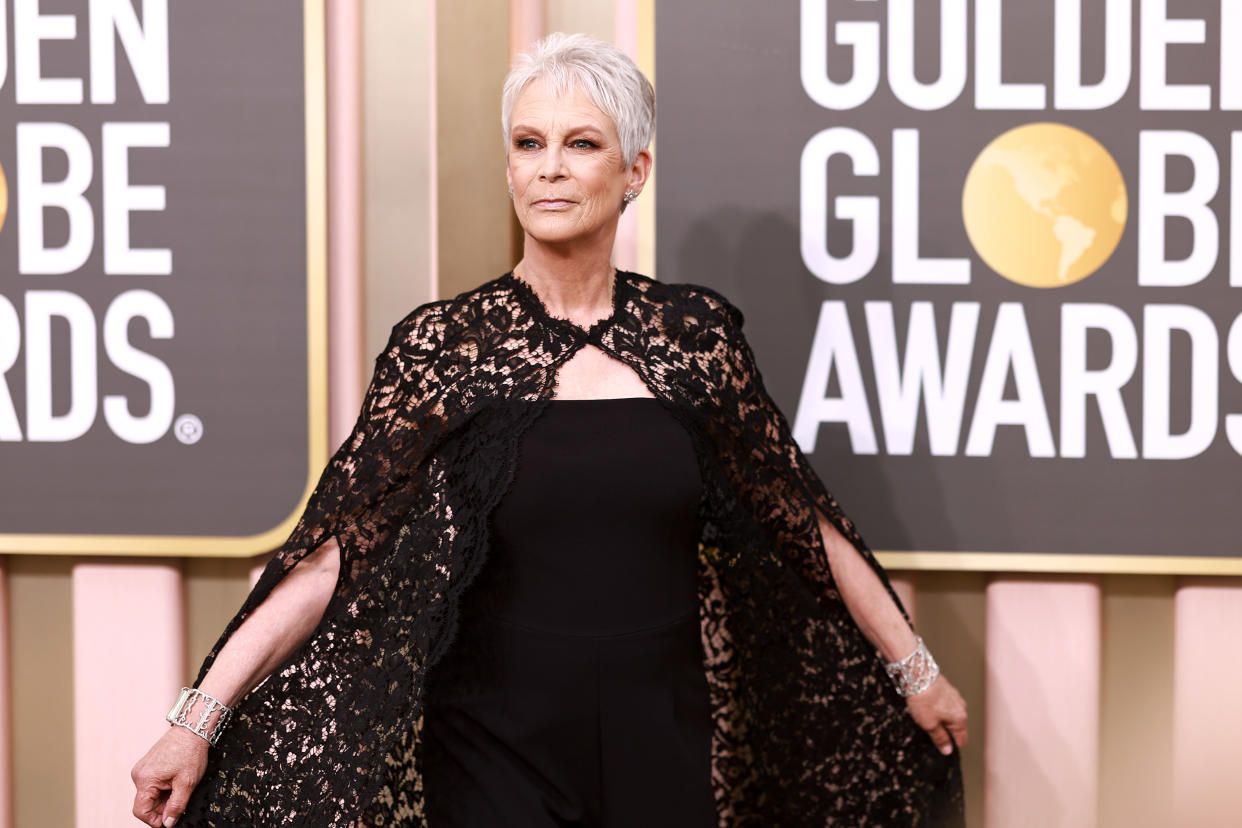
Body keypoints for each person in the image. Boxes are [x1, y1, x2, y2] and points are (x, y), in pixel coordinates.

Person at [131, 32, 967, 828]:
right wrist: (197, 720)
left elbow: (800, 520)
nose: (550, 170)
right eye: (529, 144)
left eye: (582, 144)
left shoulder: (696, 337)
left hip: (660, 739)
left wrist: (914, 670)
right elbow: (334, 557)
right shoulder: (446, 347)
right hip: (493, 745)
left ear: (635, 169)